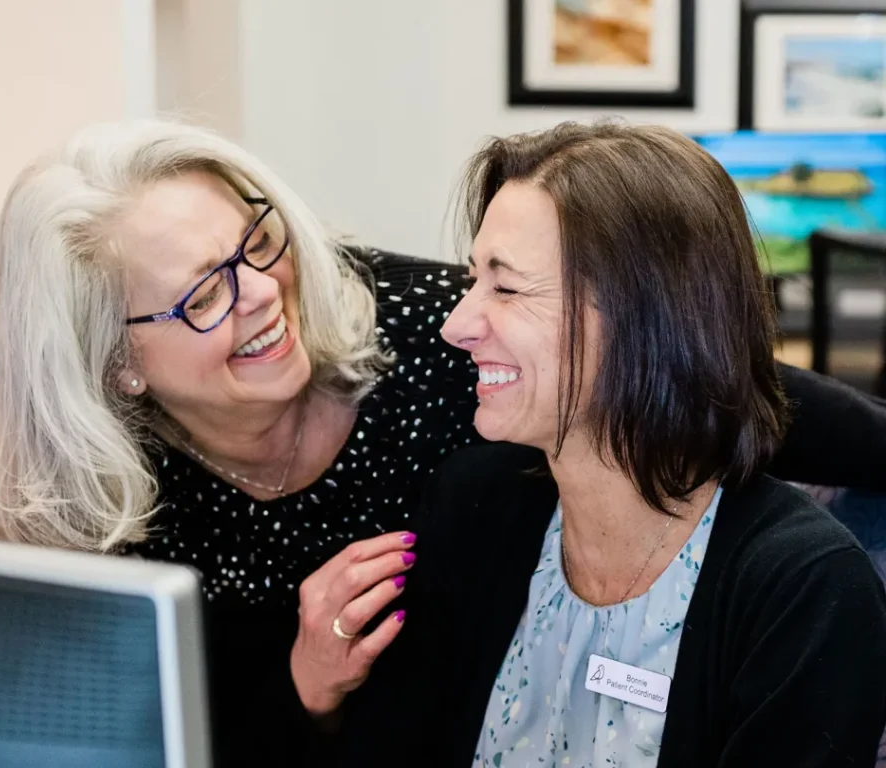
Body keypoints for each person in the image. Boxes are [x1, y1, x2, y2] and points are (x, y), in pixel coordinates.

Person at [0, 119, 886, 768]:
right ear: (119, 362)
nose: (258, 293)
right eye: (202, 296)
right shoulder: (478, 507)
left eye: (257, 242)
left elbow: (705, 376)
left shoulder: (408, 329)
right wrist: (308, 691)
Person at [335, 122, 886, 767]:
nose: (457, 325)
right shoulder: (474, 508)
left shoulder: (804, 591)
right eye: (472, 280)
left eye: (506, 287)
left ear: (643, 315)